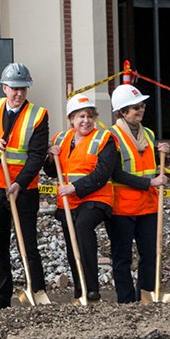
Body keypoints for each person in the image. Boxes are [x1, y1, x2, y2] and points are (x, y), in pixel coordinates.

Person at [0, 62, 50, 309]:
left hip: (24, 190)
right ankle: (1, 297)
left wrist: (20, 183)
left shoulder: (38, 115)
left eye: (23, 88)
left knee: (27, 244)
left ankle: (37, 291)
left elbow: (37, 155)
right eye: (14, 88)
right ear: (4, 87)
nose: (18, 93)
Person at [48, 93, 122, 301]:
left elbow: (103, 172)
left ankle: (92, 287)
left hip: (96, 198)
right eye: (80, 116)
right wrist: (50, 157)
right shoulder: (61, 139)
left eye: (89, 116)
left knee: (82, 228)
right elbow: (53, 172)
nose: (86, 121)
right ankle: (80, 290)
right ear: (71, 119)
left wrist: (75, 187)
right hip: (67, 202)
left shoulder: (104, 138)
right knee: (73, 244)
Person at [106, 84, 170, 304]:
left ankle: (146, 297)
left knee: (150, 255)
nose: (140, 110)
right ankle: (125, 301)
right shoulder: (111, 136)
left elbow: (151, 165)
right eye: (135, 108)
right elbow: (116, 173)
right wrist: (149, 182)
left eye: (141, 106)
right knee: (122, 258)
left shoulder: (149, 134)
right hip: (122, 207)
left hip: (148, 206)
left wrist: (164, 155)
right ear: (122, 112)